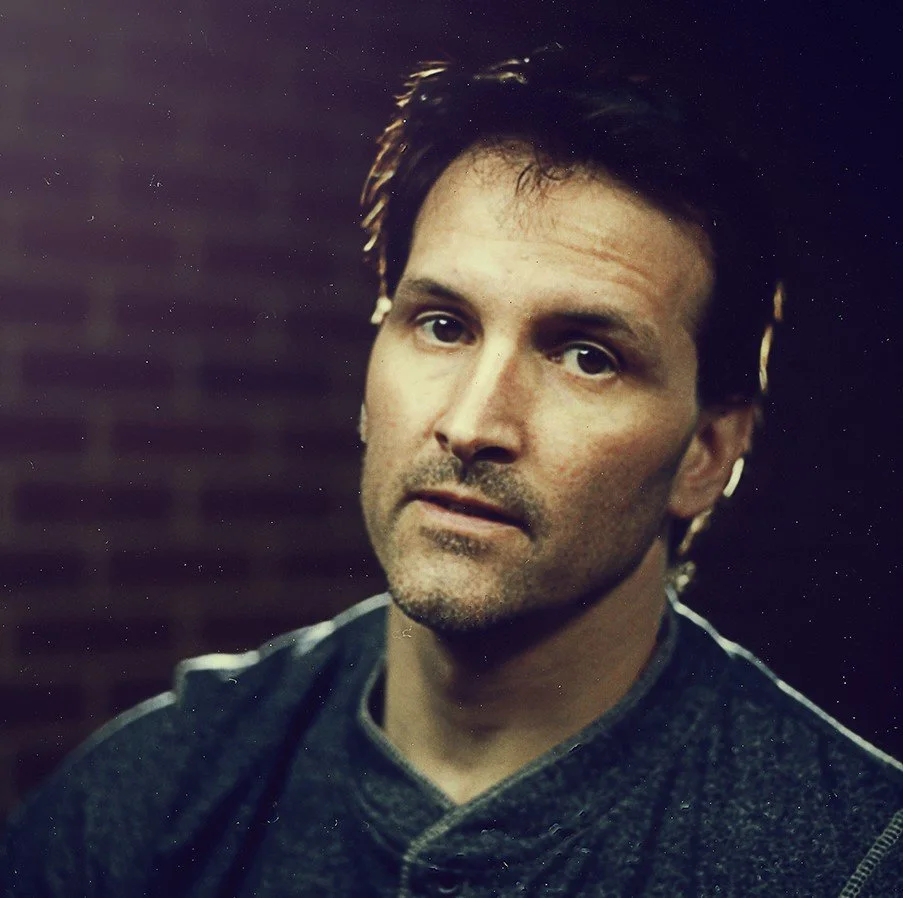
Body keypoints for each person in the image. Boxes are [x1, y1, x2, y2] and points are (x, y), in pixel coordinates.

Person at [2, 46, 901, 897]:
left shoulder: (851, 860)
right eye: (442, 326)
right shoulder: (146, 801)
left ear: (705, 453)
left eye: (585, 356)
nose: (470, 425)